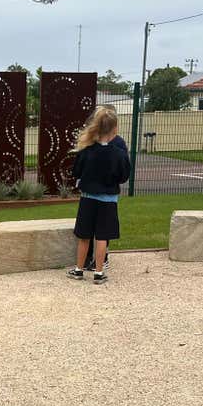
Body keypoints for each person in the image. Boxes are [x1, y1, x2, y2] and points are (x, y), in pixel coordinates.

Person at [66, 106, 131, 286]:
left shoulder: (86, 150)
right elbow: (124, 175)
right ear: (115, 129)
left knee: (84, 235)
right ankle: (99, 272)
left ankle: (79, 269)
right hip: (108, 199)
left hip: (87, 198)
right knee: (102, 236)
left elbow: (76, 171)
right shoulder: (119, 153)